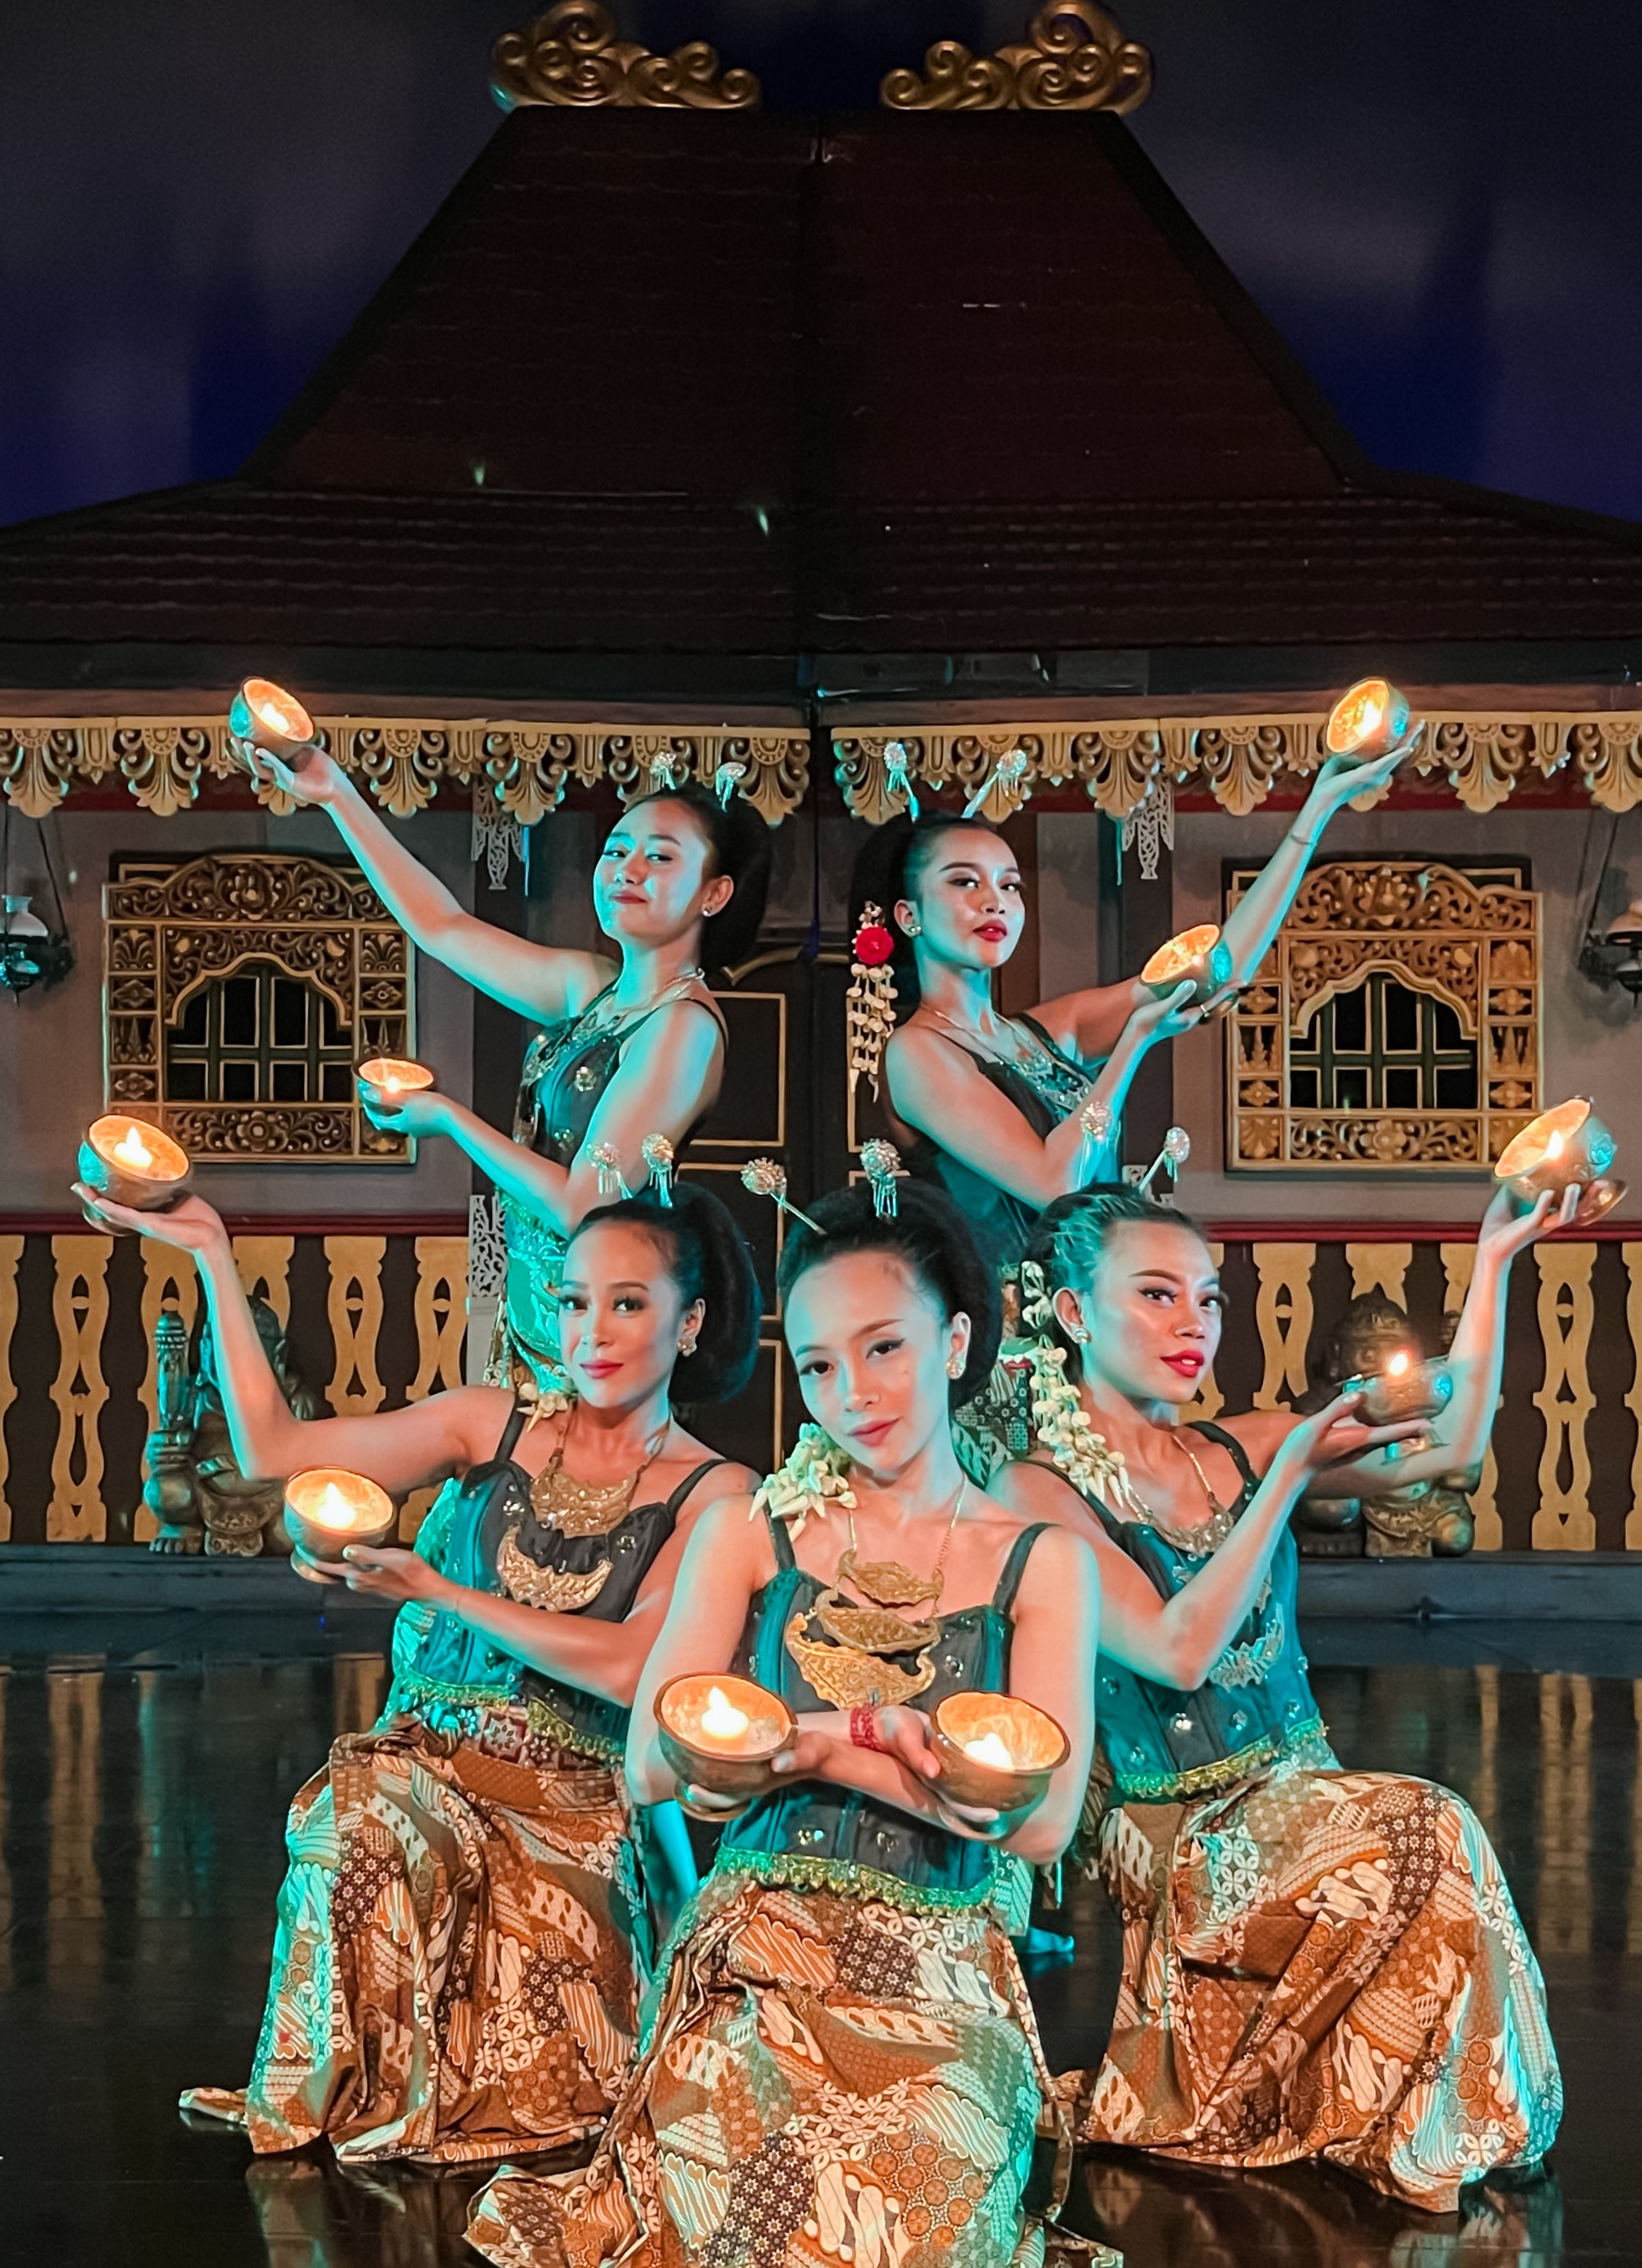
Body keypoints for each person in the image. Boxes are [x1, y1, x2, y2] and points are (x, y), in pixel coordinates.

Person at [470, 1179, 1110, 2268]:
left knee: (904, 2203)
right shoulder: (751, 1532)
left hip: (942, 1951)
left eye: (883, 1349)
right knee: (770, 2191)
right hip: (758, 1941)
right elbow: (649, 1762)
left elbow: (1045, 1825)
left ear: (955, 1340)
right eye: (818, 1365)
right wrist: (816, 1759)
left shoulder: (1038, 1557)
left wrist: (817, 1749)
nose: (851, 1393)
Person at [72, 1173, 759, 2166]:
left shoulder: (712, 1489)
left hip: (567, 1805)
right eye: (573, 1302)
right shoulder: (491, 1423)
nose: (592, 1331)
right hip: (427, 1760)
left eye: (628, 1303)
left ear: (687, 1323)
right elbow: (274, 1450)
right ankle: (358, 2092)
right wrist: (213, 1255)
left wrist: (437, 1590)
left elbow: (630, 1668)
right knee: (351, 1807)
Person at [989, 1181, 1572, 2213]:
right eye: (1157, 1294)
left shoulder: (1235, 1444)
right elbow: (1177, 1651)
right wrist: (1287, 1477)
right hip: (1184, 1839)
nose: (1192, 1325)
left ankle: (1443, 2127)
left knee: (1431, 1832)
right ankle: (1428, 2136)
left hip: (1301, 1798)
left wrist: (1493, 1258)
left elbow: (1449, 1442)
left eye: (1207, 1299)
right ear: (1071, 1313)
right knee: (1434, 1822)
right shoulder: (1034, 1493)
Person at [250, 735, 774, 1390]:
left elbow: (583, 1203)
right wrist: (335, 794)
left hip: (595, 1339)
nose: (625, 869)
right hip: (531, 1315)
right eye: (615, 850)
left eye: (658, 857)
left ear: (714, 893)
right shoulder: (594, 989)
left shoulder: (683, 1029)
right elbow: (441, 926)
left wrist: (448, 1118)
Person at [845, 731, 1417, 1281]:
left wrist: (1315, 810)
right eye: (964, 882)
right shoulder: (915, 1053)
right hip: (1010, 1350)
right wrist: (1135, 1040)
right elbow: (1054, 1182)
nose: (994, 900)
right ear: (907, 916)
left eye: (1010, 885)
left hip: (1093, 1318)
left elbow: (1216, 970)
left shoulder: (1043, 1031)